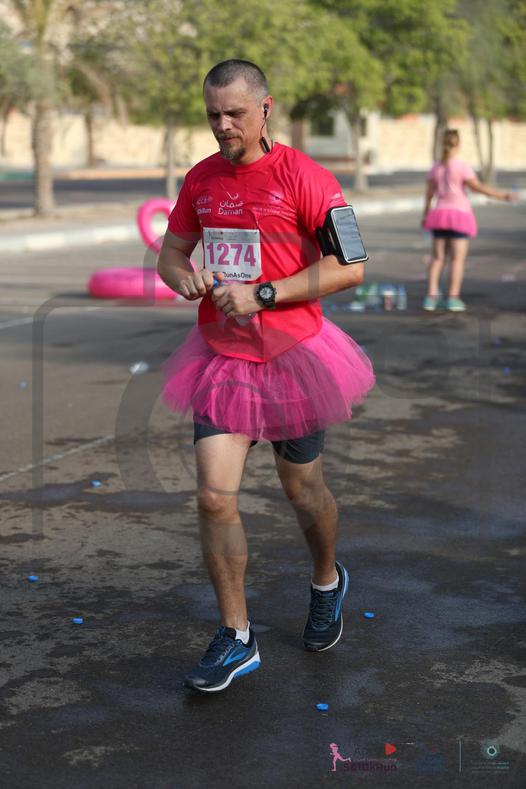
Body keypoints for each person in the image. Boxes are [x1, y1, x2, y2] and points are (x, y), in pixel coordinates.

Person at [157, 59, 375, 693]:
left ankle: (327, 580)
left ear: (265, 108)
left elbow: (352, 267)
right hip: (222, 360)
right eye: (213, 115)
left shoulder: (308, 177)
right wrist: (185, 278)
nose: (223, 126)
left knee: (302, 489)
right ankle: (237, 635)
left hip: (295, 357)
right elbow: (171, 254)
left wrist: (264, 293)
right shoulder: (201, 179)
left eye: (235, 113)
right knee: (213, 496)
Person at [422, 128, 516, 312]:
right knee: (457, 260)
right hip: (459, 216)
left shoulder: (436, 166)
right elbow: (477, 187)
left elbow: (429, 193)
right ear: (458, 144)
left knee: (437, 259)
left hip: (439, 215)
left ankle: (431, 298)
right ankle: (452, 298)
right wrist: (503, 196)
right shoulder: (462, 166)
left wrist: (426, 214)